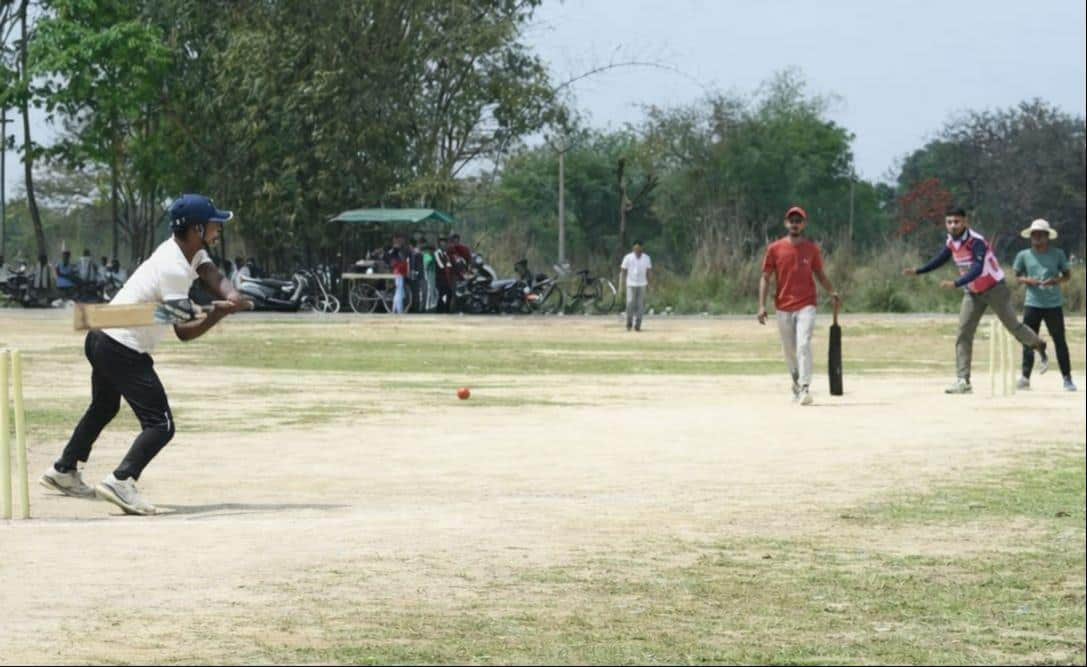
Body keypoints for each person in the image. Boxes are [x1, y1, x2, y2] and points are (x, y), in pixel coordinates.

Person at [39, 194, 250, 515]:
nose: (218, 229)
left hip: (101, 334)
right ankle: (122, 480)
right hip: (120, 346)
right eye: (213, 224)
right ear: (196, 229)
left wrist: (232, 296)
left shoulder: (183, 249)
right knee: (160, 425)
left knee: (104, 406)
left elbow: (210, 274)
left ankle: (64, 470)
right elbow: (183, 330)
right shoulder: (173, 268)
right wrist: (219, 315)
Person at [903, 206, 1048, 394]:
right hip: (972, 292)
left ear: (965, 222)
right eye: (949, 222)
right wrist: (919, 271)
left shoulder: (976, 241)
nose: (953, 225)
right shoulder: (951, 242)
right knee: (964, 332)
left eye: (957, 221)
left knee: (1013, 326)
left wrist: (957, 283)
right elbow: (940, 259)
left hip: (995, 288)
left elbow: (977, 269)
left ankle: (1038, 344)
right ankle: (963, 380)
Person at [757, 206, 840, 406]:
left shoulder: (811, 249)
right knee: (789, 349)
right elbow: (765, 277)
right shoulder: (774, 249)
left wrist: (832, 291)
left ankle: (804, 388)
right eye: (791, 220)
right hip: (783, 305)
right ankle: (795, 381)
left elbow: (819, 273)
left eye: (798, 220)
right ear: (786, 223)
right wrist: (761, 305)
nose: (795, 224)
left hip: (806, 304)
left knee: (803, 344)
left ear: (804, 224)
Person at [1012, 219, 1075, 391]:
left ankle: (1067, 378)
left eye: (1041, 234)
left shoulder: (1058, 254)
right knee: (1028, 340)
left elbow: (1067, 275)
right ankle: (1025, 377)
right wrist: (1028, 280)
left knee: (1060, 340)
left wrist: (1055, 281)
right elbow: (1017, 275)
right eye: (1034, 234)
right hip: (1032, 303)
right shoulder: (1024, 255)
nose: (1037, 237)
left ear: (1047, 237)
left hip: (1053, 304)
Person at [619, 240, 652, 331]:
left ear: (642, 248)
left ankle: (638, 324)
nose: (637, 250)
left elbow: (649, 271)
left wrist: (650, 284)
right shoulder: (628, 257)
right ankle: (629, 323)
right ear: (633, 248)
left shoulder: (646, 258)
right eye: (635, 248)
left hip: (642, 284)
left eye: (639, 248)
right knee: (630, 303)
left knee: (640, 305)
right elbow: (623, 270)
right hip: (631, 283)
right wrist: (621, 283)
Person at [387, 234, 408, 314]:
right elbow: (394, 259)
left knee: (399, 290)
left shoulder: (396, 249)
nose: (401, 241)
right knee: (399, 290)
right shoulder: (395, 249)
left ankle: (394, 309)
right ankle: (399, 310)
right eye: (400, 239)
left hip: (400, 271)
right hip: (398, 271)